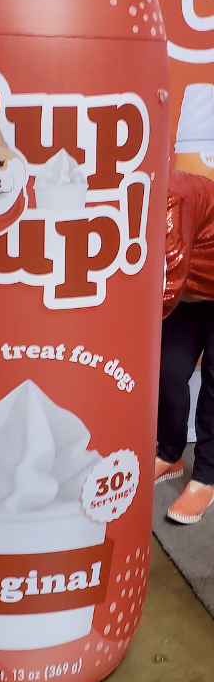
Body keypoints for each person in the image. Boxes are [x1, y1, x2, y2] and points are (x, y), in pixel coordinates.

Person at [157, 170, 214, 522]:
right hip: (190, 293)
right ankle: (170, 453)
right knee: (167, 372)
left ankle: (206, 477)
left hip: (186, 285)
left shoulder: (170, 196)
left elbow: (170, 272)